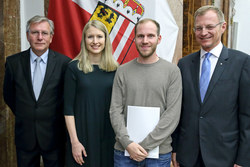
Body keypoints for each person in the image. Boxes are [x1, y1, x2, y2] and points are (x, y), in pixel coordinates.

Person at [172, 5, 250, 167]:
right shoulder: (184, 64)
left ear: (222, 27)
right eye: (198, 28)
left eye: (209, 27)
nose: (203, 32)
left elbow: (246, 115)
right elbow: (179, 111)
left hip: (224, 156)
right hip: (188, 155)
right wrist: (175, 148)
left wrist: (243, 159)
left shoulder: (242, 63)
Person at [109, 18, 182, 167]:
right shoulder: (122, 71)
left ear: (159, 39)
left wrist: (144, 146)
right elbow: (115, 110)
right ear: (134, 39)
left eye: (150, 36)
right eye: (140, 36)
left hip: (159, 153)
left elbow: (172, 114)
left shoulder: (172, 71)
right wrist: (128, 143)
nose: (145, 40)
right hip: (124, 152)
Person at [3, 15, 71, 167]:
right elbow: (8, 95)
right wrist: (27, 112)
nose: (40, 37)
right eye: (35, 32)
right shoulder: (13, 63)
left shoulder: (64, 63)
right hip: (25, 136)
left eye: (44, 33)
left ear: (51, 37)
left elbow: (66, 98)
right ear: (28, 36)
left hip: (54, 136)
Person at [64, 20, 119, 167]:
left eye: (99, 37)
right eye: (90, 37)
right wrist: (74, 142)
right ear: (84, 40)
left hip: (108, 136)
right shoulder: (73, 68)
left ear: (106, 40)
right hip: (82, 136)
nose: (95, 41)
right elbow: (68, 109)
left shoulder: (116, 69)